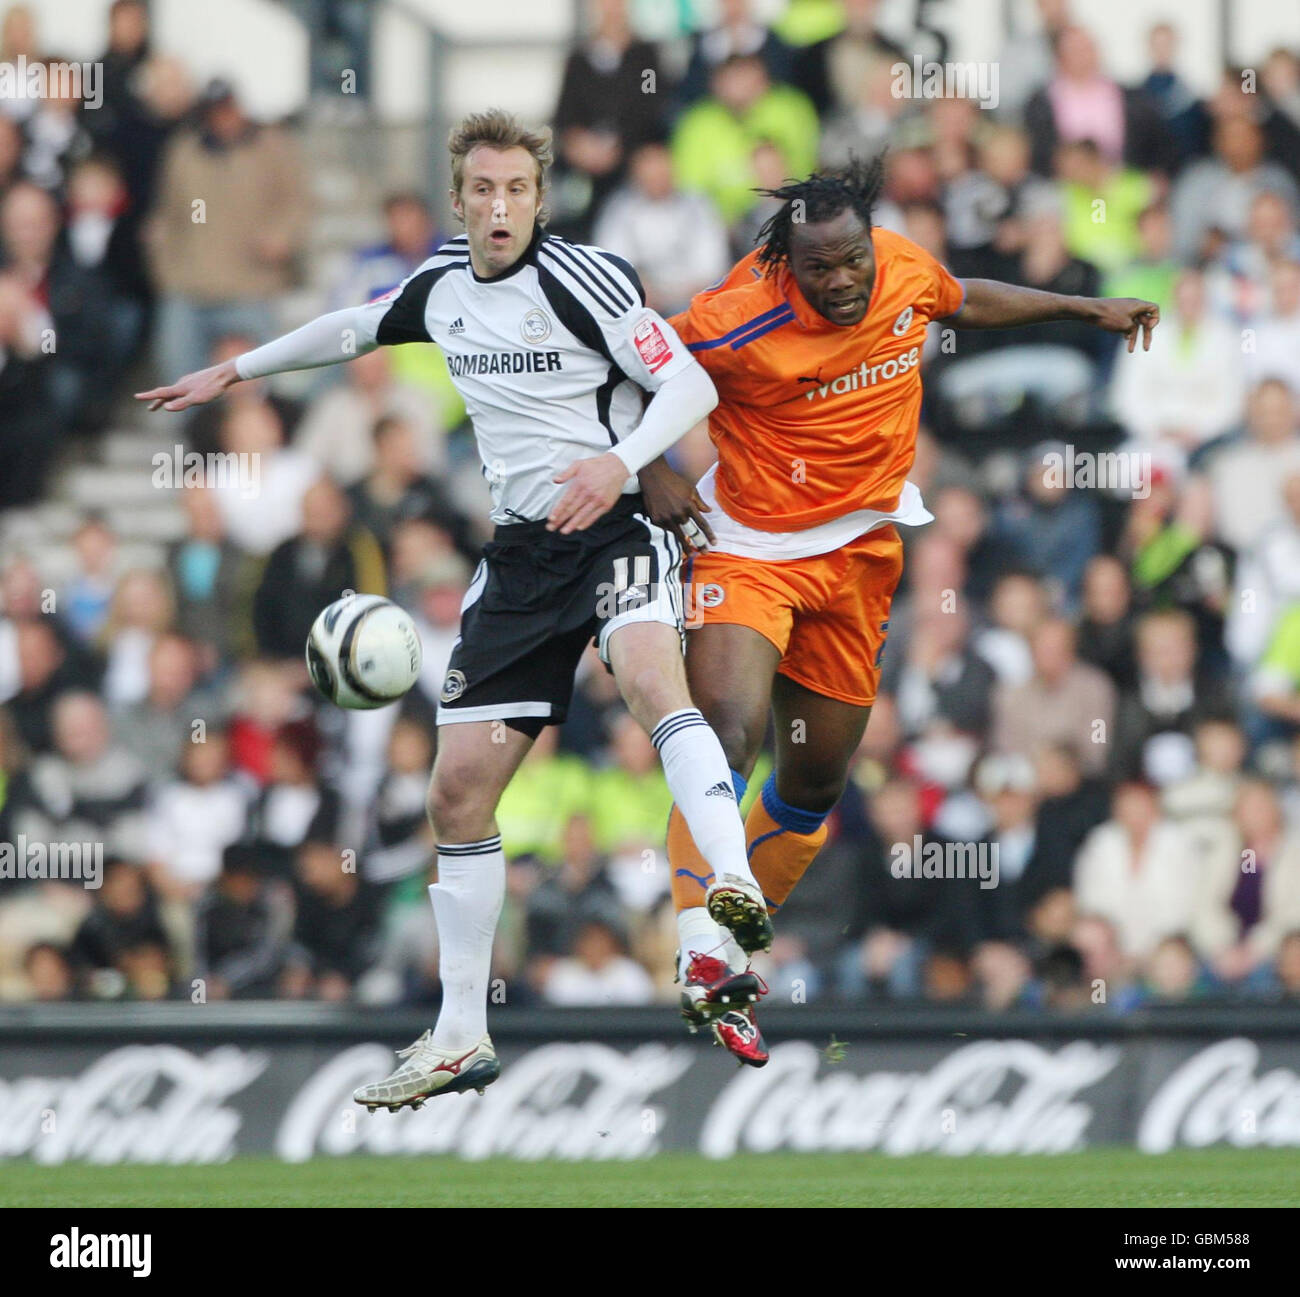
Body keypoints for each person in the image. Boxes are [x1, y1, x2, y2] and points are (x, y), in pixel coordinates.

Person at [136, 108, 768, 1108]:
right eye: (483, 188)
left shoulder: (587, 277)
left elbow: (685, 386)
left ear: (539, 195)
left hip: (610, 531)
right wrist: (235, 369)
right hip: (520, 561)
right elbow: (352, 326)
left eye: (517, 188)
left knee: (652, 683)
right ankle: (460, 1034)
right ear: (460, 195)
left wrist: (622, 464)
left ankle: (732, 886)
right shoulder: (440, 285)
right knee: (455, 795)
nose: (501, 206)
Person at [642, 156, 1159, 1064]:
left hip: (860, 551)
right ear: (785, 264)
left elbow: (963, 297)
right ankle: (699, 946)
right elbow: (626, 361)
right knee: (725, 736)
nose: (843, 281)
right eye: (821, 269)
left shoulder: (900, 265)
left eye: (852, 261)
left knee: (813, 784)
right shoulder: (735, 314)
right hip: (748, 547)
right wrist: (651, 468)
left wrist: (1087, 310)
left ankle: (724, 945)